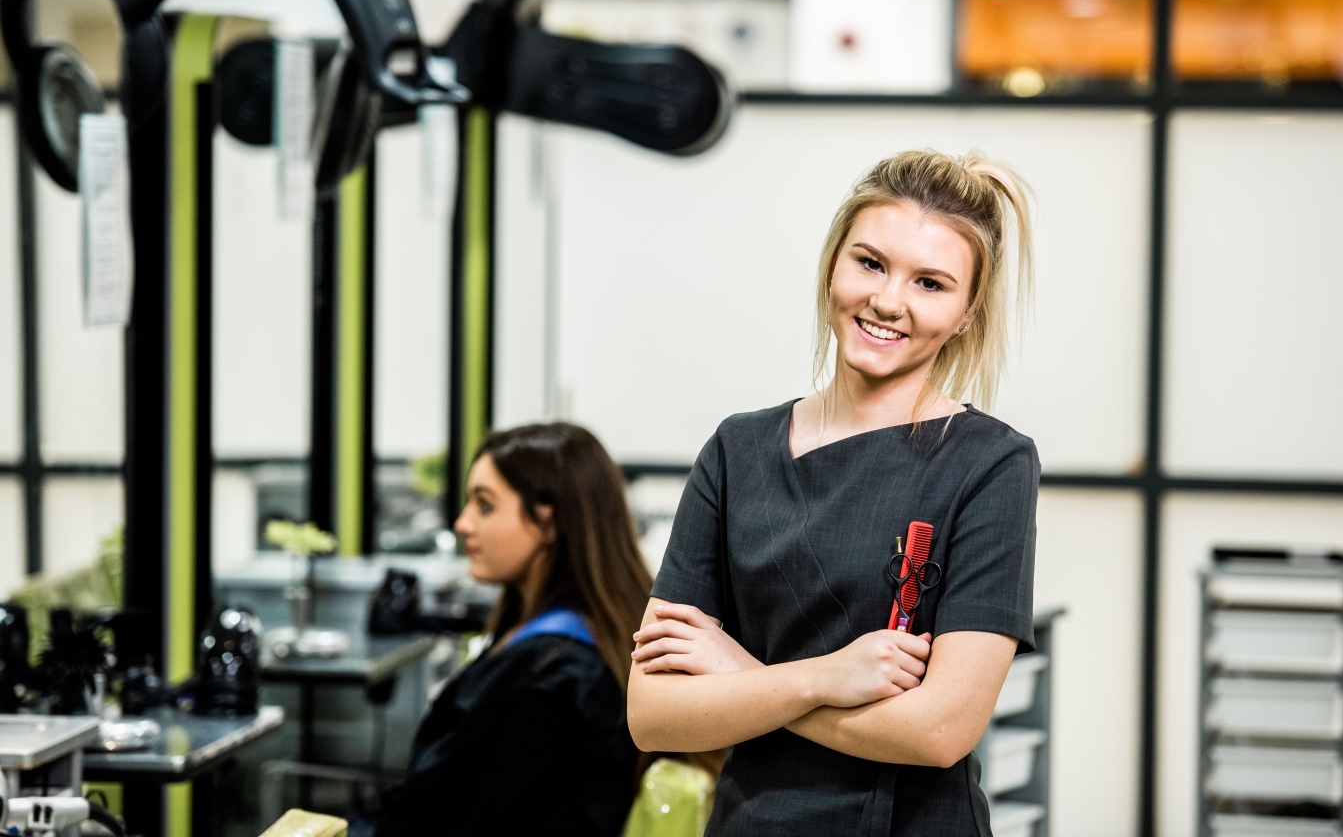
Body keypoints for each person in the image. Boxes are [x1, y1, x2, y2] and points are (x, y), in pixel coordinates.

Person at [627, 149, 1040, 837]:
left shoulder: (991, 463)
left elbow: (940, 730)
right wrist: (820, 678)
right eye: (870, 263)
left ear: (968, 313)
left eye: (931, 283)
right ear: (832, 264)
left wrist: (739, 675)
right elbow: (653, 714)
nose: (887, 300)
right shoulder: (737, 451)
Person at [358, 422, 654, 837]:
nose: (463, 524)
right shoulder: (587, 640)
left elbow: (444, 820)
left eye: (485, 505)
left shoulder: (545, 680)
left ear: (549, 521)